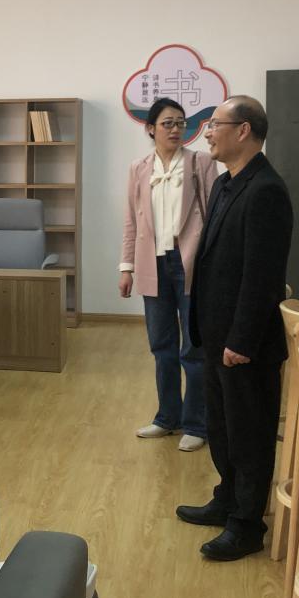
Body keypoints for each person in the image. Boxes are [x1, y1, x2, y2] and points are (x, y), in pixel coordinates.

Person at [176, 95, 293, 561]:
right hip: (217, 331)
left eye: (215, 124)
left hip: (244, 342)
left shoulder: (266, 190)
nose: (207, 131)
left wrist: (241, 340)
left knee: (249, 432)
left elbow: (262, 277)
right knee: (222, 425)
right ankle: (226, 498)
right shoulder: (228, 183)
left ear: (243, 130)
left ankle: (247, 525)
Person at [119, 97, 218, 452]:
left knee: (193, 348)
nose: (176, 129)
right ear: (151, 129)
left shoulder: (200, 163)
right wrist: (126, 267)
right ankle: (167, 418)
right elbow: (131, 221)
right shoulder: (139, 168)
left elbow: (214, 217)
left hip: (190, 263)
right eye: (167, 123)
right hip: (152, 262)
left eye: (180, 122)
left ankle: (196, 423)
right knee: (162, 346)